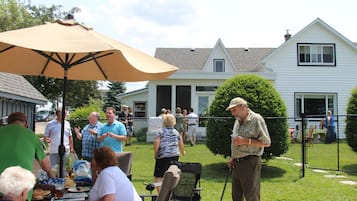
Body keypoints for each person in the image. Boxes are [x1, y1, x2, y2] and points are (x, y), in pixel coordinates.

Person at [0, 112, 55, 201]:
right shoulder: (32, 136)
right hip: (21, 191)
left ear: (9, 122)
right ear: (26, 123)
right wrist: (52, 176)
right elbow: (46, 165)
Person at [226, 97, 271, 201]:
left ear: (243, 107)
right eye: (231, 111)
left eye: (234, 110)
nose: (233, 113)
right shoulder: (238, 120)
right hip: (237, 162)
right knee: (236, 195)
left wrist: (245, 141)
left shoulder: (256, 119)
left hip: (250, 162)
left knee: (251, 195)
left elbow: (267, 142)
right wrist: (233, 157)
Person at [153, 113, 186, 193]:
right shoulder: (176, 132)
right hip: (175, 156)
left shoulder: (160, 132)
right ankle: (170, 194)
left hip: (163, 156)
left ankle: (161, 196)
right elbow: (181, 143)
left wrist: (156, 154)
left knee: (158, 176)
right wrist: (183, 152)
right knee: (172, 175)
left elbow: (156, 144)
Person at [44, 107, 74, 173]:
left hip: (65, 149)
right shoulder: (50, 124)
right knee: (54, 168)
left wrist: (72, 148)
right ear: (57, 114)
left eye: (65, 114)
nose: (65, 115)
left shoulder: (67, 123)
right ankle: (55, 181)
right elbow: (46, 137)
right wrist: (47, 140)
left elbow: (70, 136)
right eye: (63, 114)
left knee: (63, 167)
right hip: (54, 149)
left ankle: (62, 181)